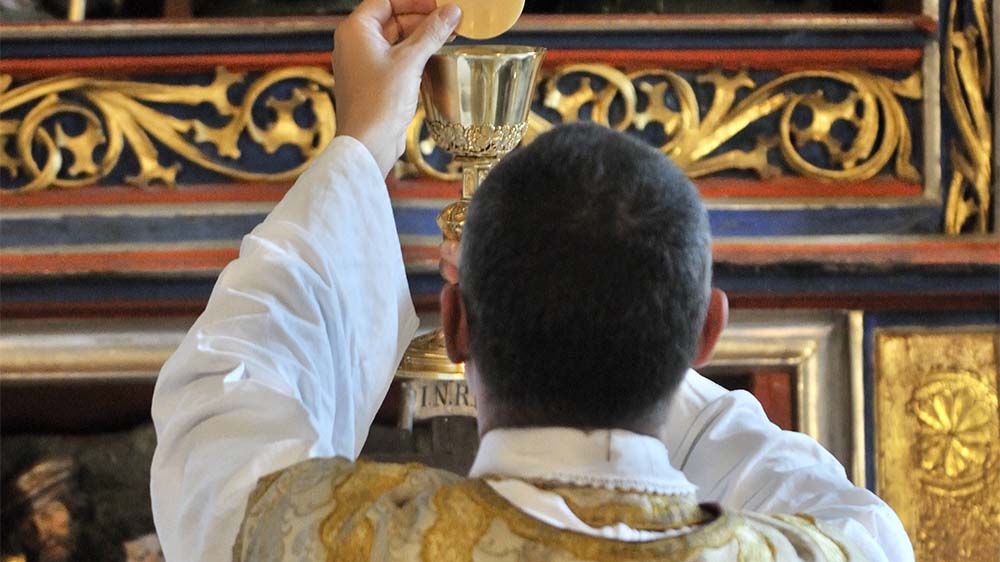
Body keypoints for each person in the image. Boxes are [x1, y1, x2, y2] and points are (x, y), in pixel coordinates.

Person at [149, 1, 913, 561]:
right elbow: (852, 518)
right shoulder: (827, 553)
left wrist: (363, 144)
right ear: (706, 331)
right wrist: (627, 318)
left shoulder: (334, 540)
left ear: (456, 326)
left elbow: (219, 404)